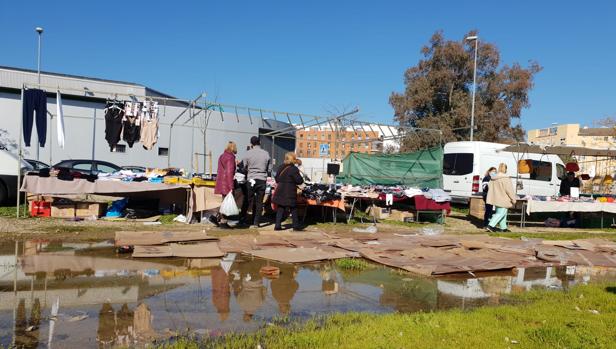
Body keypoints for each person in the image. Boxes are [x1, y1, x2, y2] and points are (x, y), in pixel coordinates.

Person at [239, 136, 271, 228]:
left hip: (251, 179)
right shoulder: (266, 154)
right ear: (260, 142)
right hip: (262, 179)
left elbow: (244, 167)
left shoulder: (247, 154)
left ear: (251, 144)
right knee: (259, 201)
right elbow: (269, 169)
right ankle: (256, 222)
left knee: (247, 200)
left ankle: (242, 219)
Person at [273, 152, 304, 231]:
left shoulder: (281, 167)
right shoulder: (293, 169)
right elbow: (299, 181)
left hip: (280, 190)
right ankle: (295, 226)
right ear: (293, 159)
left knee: (281, 207)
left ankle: (277, 225)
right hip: (290, 191)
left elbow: (276, 179)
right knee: (293, 208)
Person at [486, 163, 516, 233]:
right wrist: (513, 199)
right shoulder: (506, 178)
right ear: (506, 169)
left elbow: (489, 186)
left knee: (503, 213)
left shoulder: (493, 177)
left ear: (499, 168)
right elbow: (509, 190)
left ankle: (503, 228)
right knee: (500, 213)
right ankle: (490, 226)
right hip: (503, 199)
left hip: (495, 198)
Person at [213, 141, 237, 228]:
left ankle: (217, 217)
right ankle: (223, 222)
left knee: (224, 202)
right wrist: (231, 186)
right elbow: (229, 173)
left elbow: (221, 170)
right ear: (233, 148)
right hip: (227, 183)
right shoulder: (230, 157)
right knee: (227, 204)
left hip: (221, 182)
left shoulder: (221, 156)